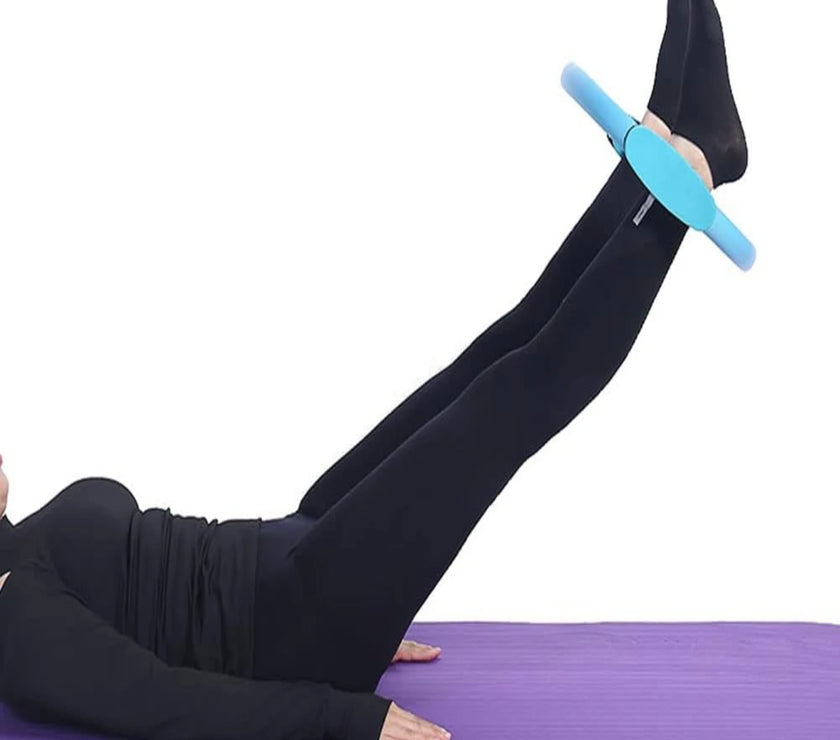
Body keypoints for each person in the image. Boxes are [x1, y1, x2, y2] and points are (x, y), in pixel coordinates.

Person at [0, 0, 749, 738]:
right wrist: (345, 716)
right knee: (515, 397)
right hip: (304, 620)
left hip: (301, 547)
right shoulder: (16, 618)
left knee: (494, 353)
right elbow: (162, 702)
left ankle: (655, 150)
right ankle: (696, 167)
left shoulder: (27, 541)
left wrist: (372, 595)